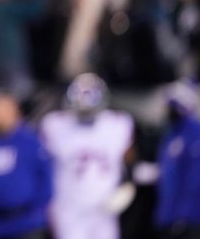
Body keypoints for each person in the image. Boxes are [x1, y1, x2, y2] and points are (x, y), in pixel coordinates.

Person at [41, 73, 134, 239]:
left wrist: (127, 182)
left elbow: (130, 160)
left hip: (104, 209)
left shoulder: (117, 125)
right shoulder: (55, 126)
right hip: (69, 209)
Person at [0, 93, 52, 239]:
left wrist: (37, 213)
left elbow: (46, 180)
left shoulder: (30, 142)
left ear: (13, 111)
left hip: (27, 223)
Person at [154, 81, 200, 239]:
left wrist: (185, 214)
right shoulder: (171, 133)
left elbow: (198, 179)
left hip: (188, 218)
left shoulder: (197, 133)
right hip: (169, 215)